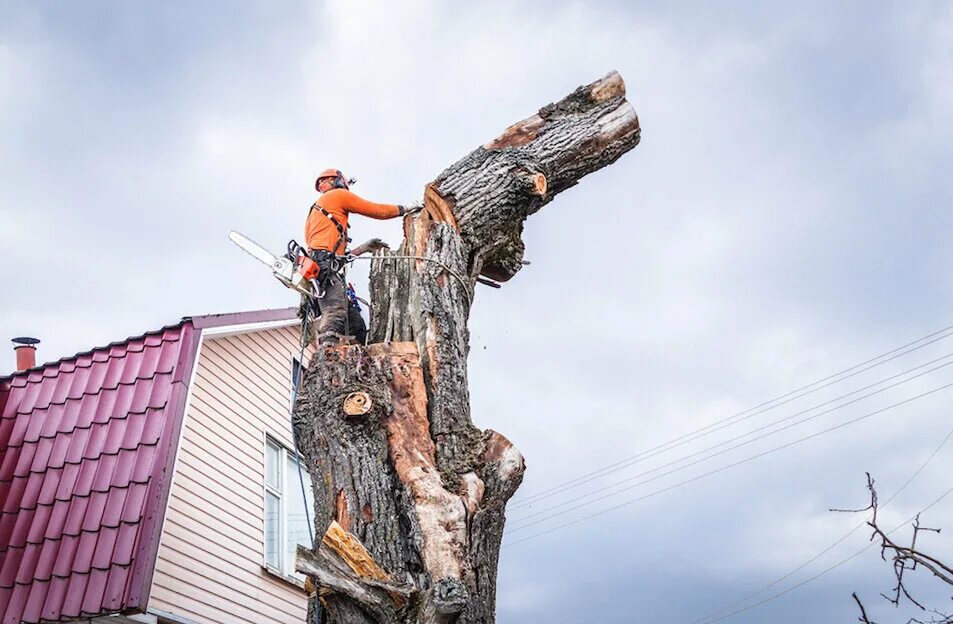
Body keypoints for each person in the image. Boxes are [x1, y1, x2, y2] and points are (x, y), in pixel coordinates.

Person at [305, 168, 418, 345]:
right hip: (324, 267)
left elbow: (334, 257)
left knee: (355, 324)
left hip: (322, 267)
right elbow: (376, 210)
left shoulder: (317, 211)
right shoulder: (337, 195)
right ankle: (327, 352)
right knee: (335, 311)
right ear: (337, 181)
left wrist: (362, 249)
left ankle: (360, 355)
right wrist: (405, 208)